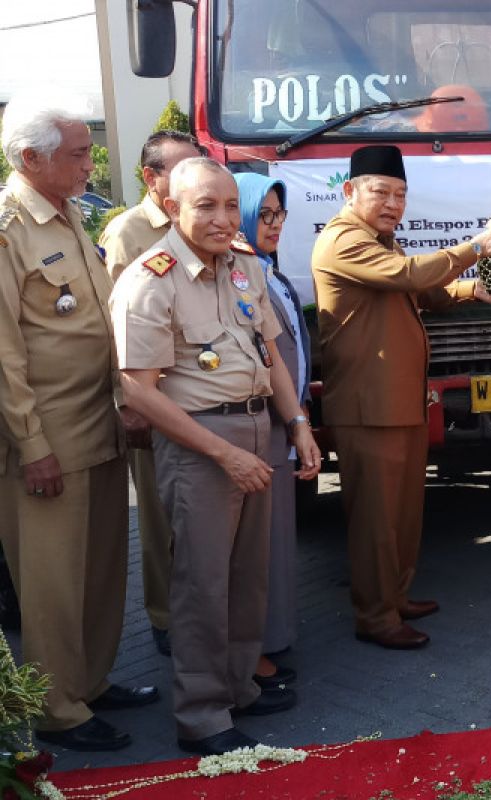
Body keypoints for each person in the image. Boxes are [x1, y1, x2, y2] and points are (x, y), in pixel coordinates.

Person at [110, 157, 320, 755]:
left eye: (231, 205)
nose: (224, 218)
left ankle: (236, 687)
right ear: (172, 209)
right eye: (206, 206)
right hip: (201, 445)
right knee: (202, 584)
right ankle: (202, 717)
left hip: (259, 429)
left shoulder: (244, 266)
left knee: (249, 577)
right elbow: (138, 391)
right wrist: (224, 455)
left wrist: (297, 425)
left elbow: (272, 355)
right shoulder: (150, 280)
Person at [0, 91, 157, 752]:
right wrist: (29, 444)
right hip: (47, 440)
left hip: (98, 424)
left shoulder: (68, 214)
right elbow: (3, 351)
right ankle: (55, 707)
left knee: (97, 572)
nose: (91, 165)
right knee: (52, 584)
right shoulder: (9, 228)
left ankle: (87, 682)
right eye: (78, 154)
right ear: (30, 158)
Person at [311, 145, 491, 650]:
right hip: (367, 405)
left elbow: (421, 293)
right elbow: (407, 277)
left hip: (398, 399)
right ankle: (375, 617)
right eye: (381, 192)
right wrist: (477, 248)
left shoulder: (381, 240)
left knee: (403, 512)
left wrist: (475, 292)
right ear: (349, 191)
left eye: (400, 194)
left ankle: (395, 596)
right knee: (376, 520)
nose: (393, 203)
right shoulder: (341, 241)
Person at [99, 130, 206, 657]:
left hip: (201, 399)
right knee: (162, 517)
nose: (194, 179)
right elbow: (116, 328)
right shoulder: (130, 231)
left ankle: (201, 614)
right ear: (152, 177)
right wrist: (129, 407)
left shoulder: (201, 220)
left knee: (195, 515)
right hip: (153, 398)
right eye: (183, 169)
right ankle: (166, 618)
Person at [233, 172, 310, 689]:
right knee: (254, 551)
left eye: (279, 215)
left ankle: (272, 644)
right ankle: (253, 654)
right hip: (256, 425)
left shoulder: (266, 271)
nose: (275, 224)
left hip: (286, 424)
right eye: (264, 214)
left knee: (278, 545)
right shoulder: (237, 274)